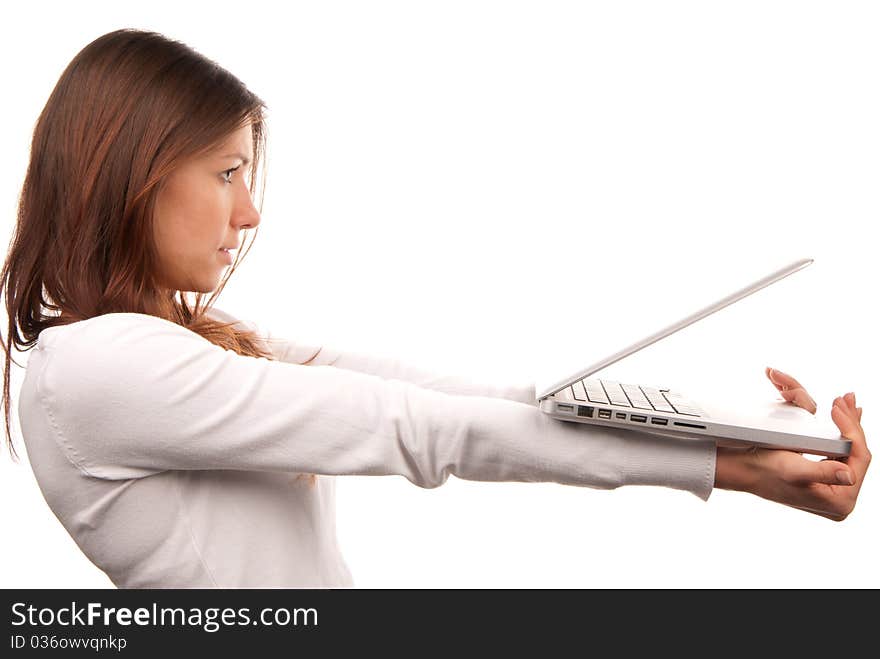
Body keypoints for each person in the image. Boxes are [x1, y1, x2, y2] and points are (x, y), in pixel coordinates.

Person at [1, 29, 869, 588]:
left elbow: (459, 394)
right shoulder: (98, 369)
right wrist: (735, 469)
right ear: (130, 175)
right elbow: (419, 427)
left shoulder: (188, 346)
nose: (249, 212)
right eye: (227, 174)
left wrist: (732, 433)